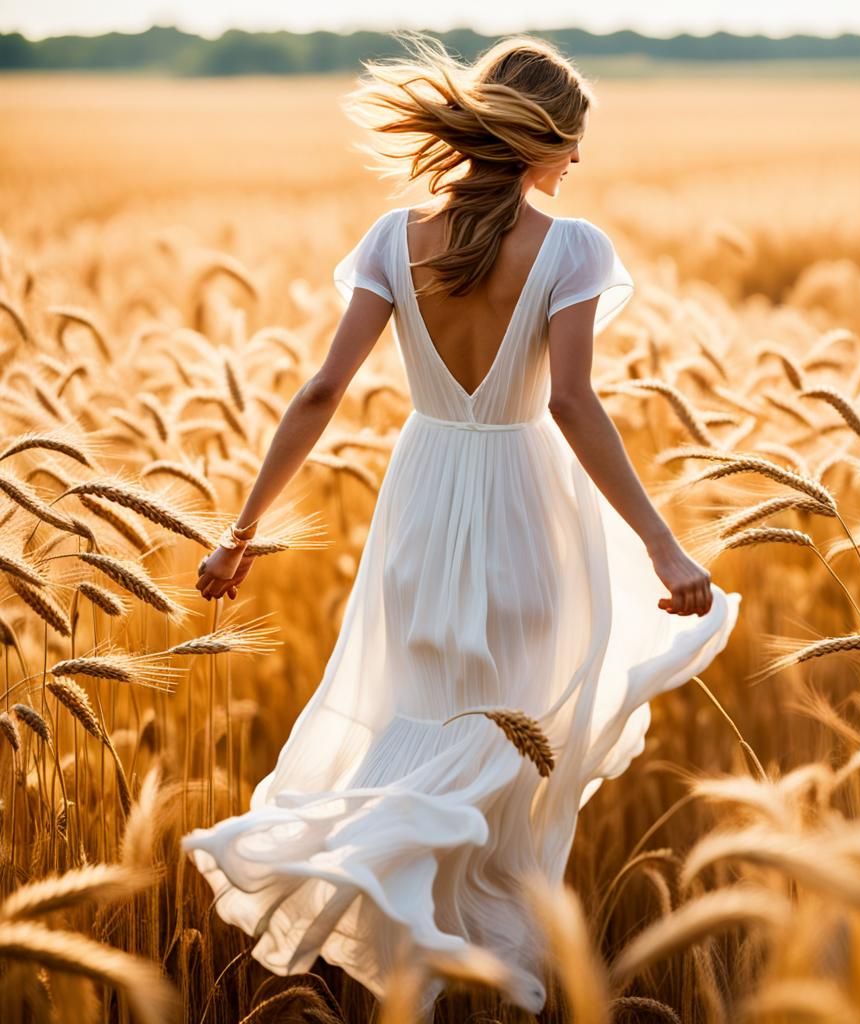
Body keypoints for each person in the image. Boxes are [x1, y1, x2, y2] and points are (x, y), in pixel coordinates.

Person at [182, 30, 741, 1020]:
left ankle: (415, 958)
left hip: (424, 502)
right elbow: (572, 403)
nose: (580, 162)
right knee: (510, 761)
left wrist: (240, 530)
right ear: (541, 141)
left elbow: (320, 391)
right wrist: (661, 542)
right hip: (529, 505)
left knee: (428, 727)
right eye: (575, 142)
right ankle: (488, 976)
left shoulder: (394, 239)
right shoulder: (571, 247)